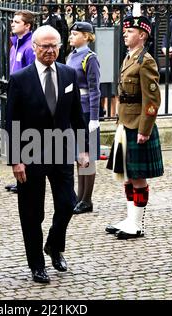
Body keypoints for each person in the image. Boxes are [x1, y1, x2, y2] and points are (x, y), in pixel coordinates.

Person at [6, 25, 89, 284]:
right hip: (30, 154)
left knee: (67, 204)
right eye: (44, 46)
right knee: (32, 213)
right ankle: (37, 265)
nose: (50, 51)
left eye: (54, 46)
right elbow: (11, 122)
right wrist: (15, 159)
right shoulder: (20, 79)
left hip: (62, 150)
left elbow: (76, 115)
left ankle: (54, 244)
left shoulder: (68, 74)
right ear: (34, 47)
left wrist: (84, 149)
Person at [105, 13, 163, 240]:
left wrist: (144, 130)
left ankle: (137, 224)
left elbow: (152, 100)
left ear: (142, 35)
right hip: (125, 123)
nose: (125, 34)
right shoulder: (130, 57)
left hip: (137, 125)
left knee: (138, 176)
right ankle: (130, 219)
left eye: (129, 31)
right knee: (127, 174)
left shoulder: (146, 61)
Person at [66, 22, 101, 214]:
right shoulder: (71, 55)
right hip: (75, 109)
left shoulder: (90, 57)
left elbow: (95, 90)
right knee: (78, 156)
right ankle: (79, 197)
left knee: (88, 156)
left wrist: (94, 117)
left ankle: (87, 199)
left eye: (75, 33)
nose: (71, 36)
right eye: (71, 33)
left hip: (87, 110)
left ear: (86, 36)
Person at [5, 10, 36, 194]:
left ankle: (28, 175)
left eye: (17, 22)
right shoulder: (14, 45)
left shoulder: (30, 48)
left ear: (27, 26)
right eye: (13, 21)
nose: (13, 24)